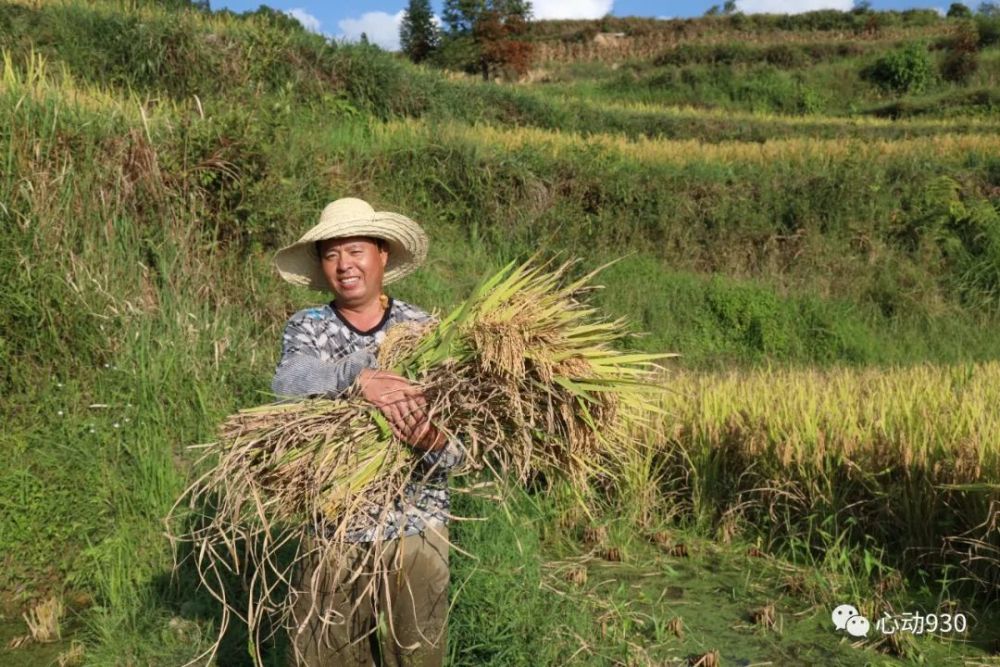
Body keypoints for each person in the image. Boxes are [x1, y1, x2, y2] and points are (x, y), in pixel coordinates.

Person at [270, 197, 463, 667]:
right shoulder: (309, 327)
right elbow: (287, 382)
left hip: (416, 527)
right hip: (333, 528)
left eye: (355, 250)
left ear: (383, 255)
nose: (344, 264)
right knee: (326, 654)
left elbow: (462, 449)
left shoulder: (424, 331)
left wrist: (431, 440)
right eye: (331, 254)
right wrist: (355, 379)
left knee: (415, 654)